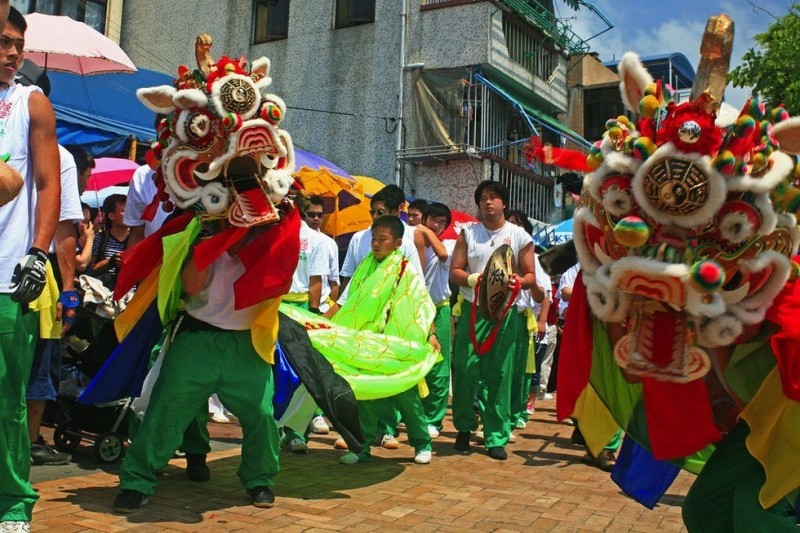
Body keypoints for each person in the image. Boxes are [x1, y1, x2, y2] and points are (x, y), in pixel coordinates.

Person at [0, 6, 61, 531]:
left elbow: (45, 184)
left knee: (7, 397)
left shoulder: (30, 102)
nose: (13, 51)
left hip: (6, 277)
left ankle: (14, 499)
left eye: (17, 42)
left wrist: (39, 253)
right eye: (3, 41)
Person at [334, 216, 438, 465]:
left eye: (383, 239)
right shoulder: (365, 266)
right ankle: (361, 448)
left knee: (405, 395)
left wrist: (431, 334)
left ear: (398, 242)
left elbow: (422, 304)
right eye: (374, 239)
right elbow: (347, 302)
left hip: (396, 344)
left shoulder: (406, 269)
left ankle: (422, 443)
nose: (376, 244)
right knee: (366, 397)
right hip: (366, 342)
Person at [449, 180, 536, 461]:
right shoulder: (468, 233)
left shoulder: (519, 235)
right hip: (473, 310)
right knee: (464, 370)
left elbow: (531, 275)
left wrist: (520, 281)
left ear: (504, 203)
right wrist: (473, 279)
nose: (488, 202)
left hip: (505, 313)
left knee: (500, 373)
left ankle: (496, 435)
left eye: (494, 197)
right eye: (484, 198)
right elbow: (455, 272)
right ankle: (464, 427)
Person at [26, 145, 84, 467]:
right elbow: (64, 229)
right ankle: (30, 441)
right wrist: (68, 292)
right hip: (38, 270)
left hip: (28, 268)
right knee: (41, 359)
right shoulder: (58, 155)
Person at [279, 207, 328, 452]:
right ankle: (272, 427)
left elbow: (316, 280)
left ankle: (297, 432)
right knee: (273, 371)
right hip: (271, 306)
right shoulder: (271, 231)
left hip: (299, 308)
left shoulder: (316, 240)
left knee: (303, 371)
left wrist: (312, 312)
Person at [415, 201, 454, 438]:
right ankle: (412, 415)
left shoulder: (448, 243)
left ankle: (434, 419)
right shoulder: (412, 240)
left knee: (439, 366)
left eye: (442, 222)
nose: (437, 225)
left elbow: (442, 255)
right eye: (433, 220)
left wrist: (426, 229)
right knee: (414, 361)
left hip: (439, 309)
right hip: (415, 309)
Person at [506, 210, 546, 435]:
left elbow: (542, 294)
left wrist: (526, 281)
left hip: (519, 316)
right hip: (493, 315)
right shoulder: (497, 250)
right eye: (509, 223)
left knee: (517, 372)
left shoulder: (533, 258)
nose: (513, 228)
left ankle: (511, 417)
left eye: (517, 224)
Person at [304, 195, 339, 435]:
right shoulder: (293, 237)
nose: (316, 219)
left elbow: (333, 281)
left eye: (320, 214)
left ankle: (318, 414)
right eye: (311, 214)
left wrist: (328, 311)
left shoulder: (329, 243)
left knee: (319, 366)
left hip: (319, 310)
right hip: (294, 306)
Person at [90, 193, 129, 289]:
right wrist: (110, 262)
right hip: (105, 293)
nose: (130, 214)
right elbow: (90, 269)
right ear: (111, 216)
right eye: (125, 211)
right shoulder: (100, 238)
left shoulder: (137, 238)